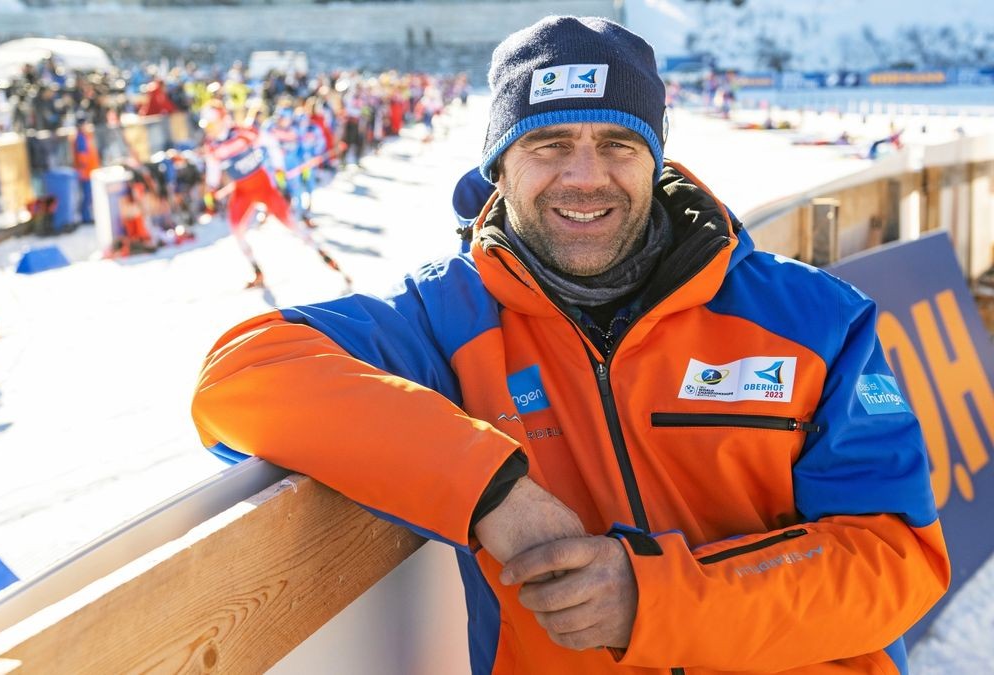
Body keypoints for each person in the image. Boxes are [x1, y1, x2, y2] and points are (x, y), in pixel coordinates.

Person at [192, 17, 950, 674]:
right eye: (549, 143)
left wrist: (652, 597)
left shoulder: (814, 319)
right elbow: (240, 377)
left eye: (618, 143)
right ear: (499, 164)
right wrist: (491, 490)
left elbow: (896, 562)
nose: (585, 177)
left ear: (655, 158)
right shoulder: (446, 318)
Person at [200, 100, 350, 290]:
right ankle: (257, 271)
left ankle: (324, 255)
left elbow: (270, 143)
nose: (209, 129)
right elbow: (213, 168)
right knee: (236, 229)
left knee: (292, 225)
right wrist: (211, 191)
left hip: (264, 187)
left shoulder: (243, 132)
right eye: (207, 126)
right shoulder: (212, 145)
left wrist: (278, 168)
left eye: (212, 124)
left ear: (222, 120)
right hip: (242, 191)